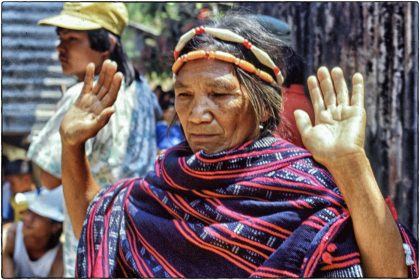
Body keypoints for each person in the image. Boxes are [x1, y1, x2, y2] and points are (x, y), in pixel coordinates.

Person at [59, 14, 417, 277]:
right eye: (185, 95)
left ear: (262, 105)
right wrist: (72, 145)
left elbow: (391, 274)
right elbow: (103, 226)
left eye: (219, 94)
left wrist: (351, 162)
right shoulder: (164, 186)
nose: (197, 113)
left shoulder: (308, 189)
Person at [26, 2, 160, 277]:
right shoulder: (143, 91)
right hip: (138, 243)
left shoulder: (83, 99)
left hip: (93, 246)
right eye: (60, 38)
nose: (60, 48)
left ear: (106, 44)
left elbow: (49, 178)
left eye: (73, 39)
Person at [2, 187, 64, 278]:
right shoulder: (9, 236)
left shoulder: (59, 258)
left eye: (38, 215)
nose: (27, 218)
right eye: (29, 211)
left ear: (55, 227)